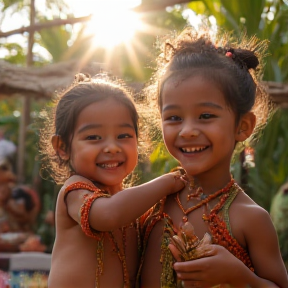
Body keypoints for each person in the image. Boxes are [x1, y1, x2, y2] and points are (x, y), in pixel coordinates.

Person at [136, 27, 288, 287]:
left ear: (242, 126)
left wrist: (238, 276)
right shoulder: (148, 204)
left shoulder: (250, 218)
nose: (188, 131)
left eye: (206, 116)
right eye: (174, 118)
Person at [39, 73, 185, 288]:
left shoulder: (132, 208)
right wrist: (169, 182)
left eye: (123, 136)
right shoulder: (75, 191)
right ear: (62, 147)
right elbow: (107, 214)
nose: (112, 147)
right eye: (93, 137)